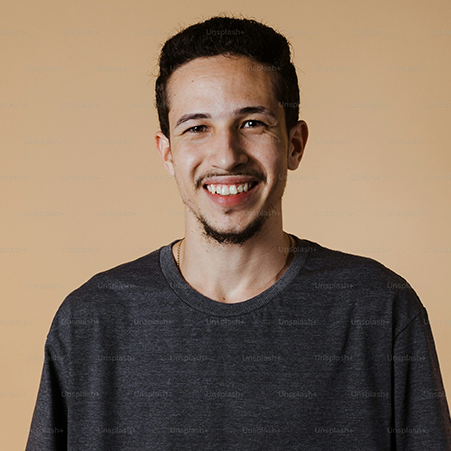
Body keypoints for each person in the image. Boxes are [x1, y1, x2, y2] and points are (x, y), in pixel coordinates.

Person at [26, 15, 451, 450]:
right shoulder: (90, 323)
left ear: (295, 144)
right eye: (197, 128)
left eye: (252, 123)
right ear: (168, 153)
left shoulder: (378, 310)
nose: (226, 156)